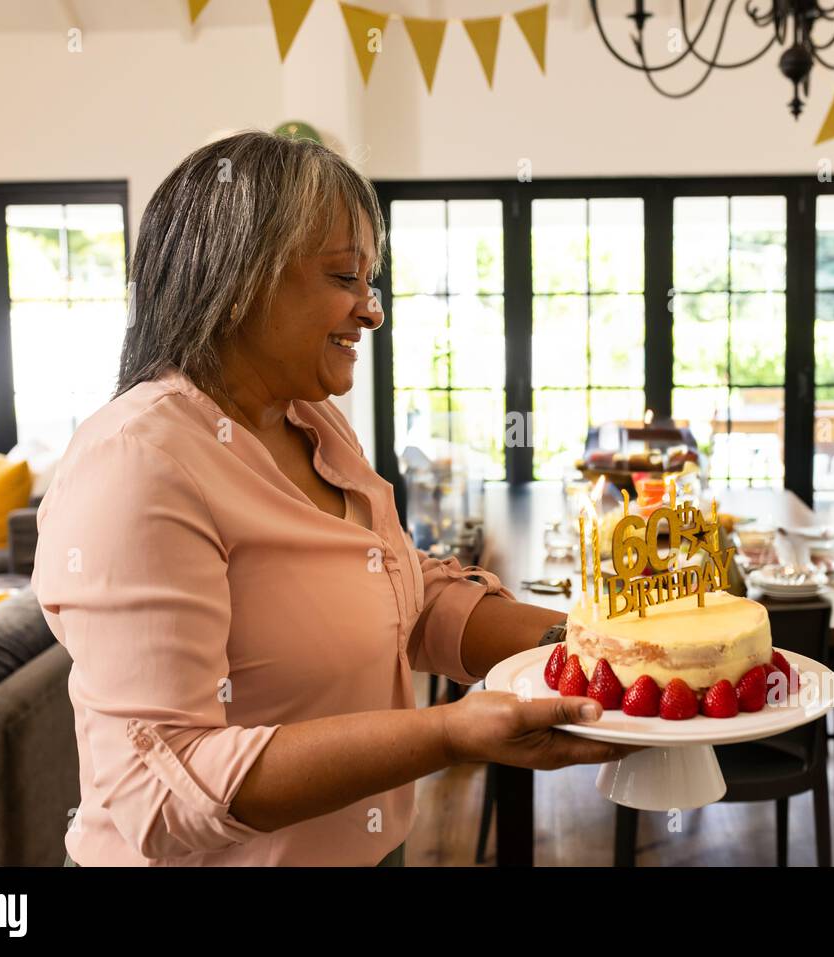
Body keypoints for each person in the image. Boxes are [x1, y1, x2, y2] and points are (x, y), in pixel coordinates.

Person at [34, 131, 635, 867]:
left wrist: (601, 648)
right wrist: (446, 731)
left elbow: (404, 598)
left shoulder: (313, 424)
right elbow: (162, 793)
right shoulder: (138, 464)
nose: (371, 311)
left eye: (369, 283)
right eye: (345, 278)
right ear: (239, 278)